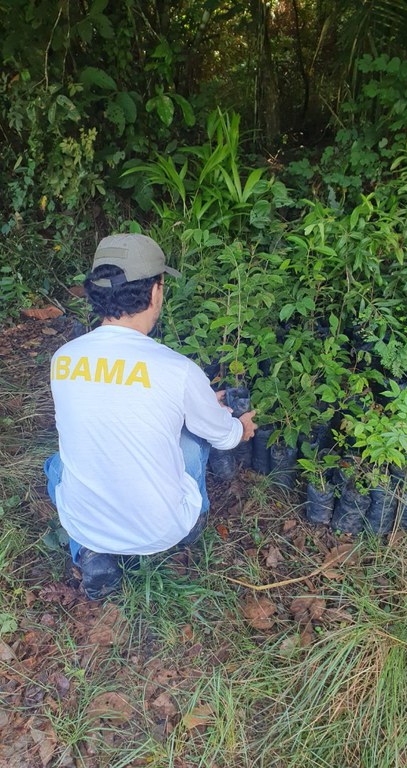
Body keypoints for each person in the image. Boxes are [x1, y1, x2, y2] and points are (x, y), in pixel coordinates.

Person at [44, 234, 257, 599]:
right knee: (193, 442)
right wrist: (240, 426)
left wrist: (192, 401)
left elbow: (112, 401)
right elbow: (224, 436)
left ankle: (90, 552)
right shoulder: (176, 370)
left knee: (56, 465)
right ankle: (192, 526)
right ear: (156, 293)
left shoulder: (63, 358)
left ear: (95, 294)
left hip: (88, 525)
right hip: (162, 529)